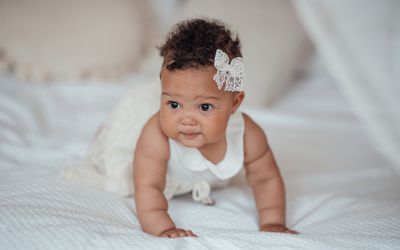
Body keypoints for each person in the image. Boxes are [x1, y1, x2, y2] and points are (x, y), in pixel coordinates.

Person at [133, 18, 297, 238]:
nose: (187, 119)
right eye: (174, 104)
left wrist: (272, 221)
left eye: (205, 106)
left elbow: (265, 179)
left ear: (234, 104)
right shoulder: (156, 136)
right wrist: (163, 227)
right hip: (164, 179)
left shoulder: (248, 135)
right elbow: (148, 187)